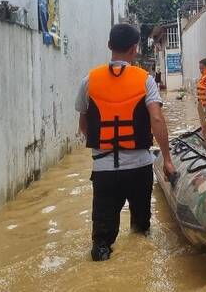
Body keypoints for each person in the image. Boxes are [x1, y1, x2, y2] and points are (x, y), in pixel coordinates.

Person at [75, 24, 176, 262]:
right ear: (135, 49)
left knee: (101, 242)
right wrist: (168, 160)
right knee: (141, 232)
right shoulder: (146, 80)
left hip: (104, 170)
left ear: (109, 46)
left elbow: (83, 125)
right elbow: (157, 119)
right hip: (139, 168)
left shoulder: (89, 80)